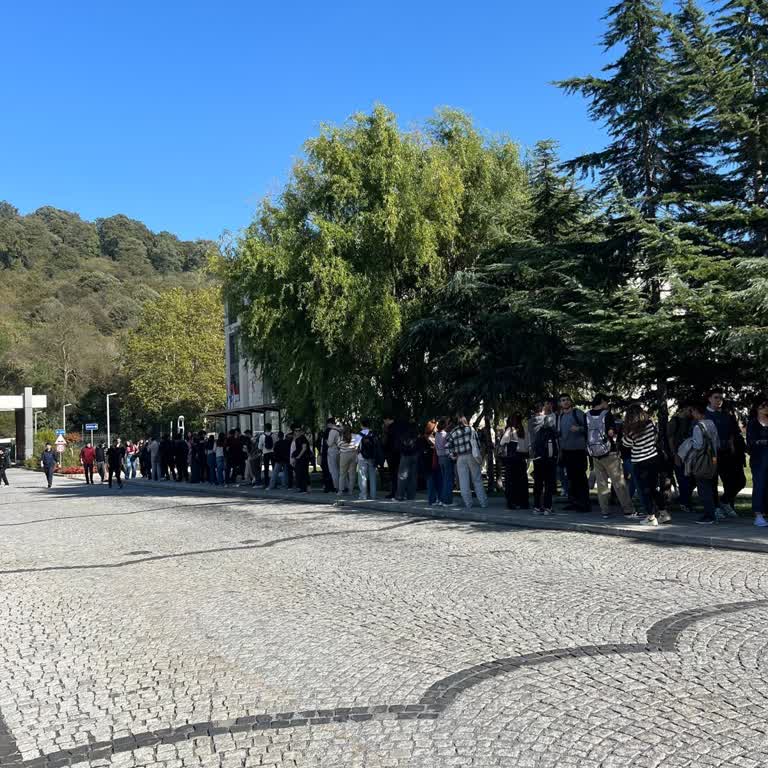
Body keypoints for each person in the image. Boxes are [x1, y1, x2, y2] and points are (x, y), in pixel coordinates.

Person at [586, 394, 634, 519]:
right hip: (609, 452)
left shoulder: (587, 415)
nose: (608, 405)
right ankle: (628, 510)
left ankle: (605, 511)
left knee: (601, 484)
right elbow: (611, 432)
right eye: (607, 402)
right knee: (619, 482)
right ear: (602, 402)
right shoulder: (607, 414)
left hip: (594, 453)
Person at [622, 405, 669, 526]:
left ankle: (651, 517)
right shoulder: (649, 424)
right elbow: (654, 438)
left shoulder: (632, 430)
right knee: (654, 489)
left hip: (640, 461)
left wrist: (625, 434)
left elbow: (626, 444)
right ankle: (663, 513)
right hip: (653, 458)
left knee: (645, 490)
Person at [703, 389, 743, 518]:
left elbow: (734, 432)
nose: (719, 400)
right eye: (716, 397)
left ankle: (726, 502)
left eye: (721, 398)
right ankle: (716, 508)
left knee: (737, 481)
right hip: (711, 454)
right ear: (709, 399)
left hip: (727, 452)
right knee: (713, 482)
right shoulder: (704, 415)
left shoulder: (727, 415)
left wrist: (732, 445)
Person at [681, 401, 720, 525]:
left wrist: (688, 442)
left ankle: (709, 515)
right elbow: (717, 443)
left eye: (692, 412)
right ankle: (712, 513)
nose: (692, 414)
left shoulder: (698, 426)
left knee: (703, 488)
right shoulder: (711, 423)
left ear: (697, 412)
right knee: (710, 486)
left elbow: (698, 446)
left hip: (702, 460)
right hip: (713, 459)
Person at [446, 415, 487, 512]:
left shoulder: (453, 432)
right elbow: (477, 443)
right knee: (477, 479)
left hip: (460, 457)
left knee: (463, 481)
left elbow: (447, 445)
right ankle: (483, 502)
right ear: (465, 421)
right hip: (471, 455)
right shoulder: (471, 429)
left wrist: (452, 455)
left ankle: (468, 503)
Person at [556, 394, 590, 512]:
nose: (564, 402)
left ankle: (584, 504)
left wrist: (579, 429)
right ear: (560, 403)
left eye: (566, 400)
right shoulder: (560, 417)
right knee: (570, 478)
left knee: (580, 478)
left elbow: (588, 427)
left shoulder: (578, 413)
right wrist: (560, 450)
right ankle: (574, 502)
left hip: (579, 451)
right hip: (566, 451)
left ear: (571, 401)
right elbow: (559, 435)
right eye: (562, 401)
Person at [529, 401, 558, 515]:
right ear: (542, 409)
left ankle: (536, 506)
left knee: (538, 483)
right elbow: (555, 431)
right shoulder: (548, 419)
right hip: (548, 455)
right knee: (549, 482)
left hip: (537, 455)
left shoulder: (530, 422)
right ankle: (547, 507)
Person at [667, 402, 694, 512]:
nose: (691, 412)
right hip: (678, 454)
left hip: (689, 454)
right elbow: (670, 439)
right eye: (690, 410)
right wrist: (674, 454)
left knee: (690, 479)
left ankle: (684, 499)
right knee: (682, 479)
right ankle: (685, 503)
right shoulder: (675, 421)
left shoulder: (690, 421)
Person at [499, 415, 529, 510]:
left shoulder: (510, 429)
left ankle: (512, 502)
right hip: (522, 458)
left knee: (511, 481)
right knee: (522, 481)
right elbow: (528, 443)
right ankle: (523, 502)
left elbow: (502, 442)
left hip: (512, 458)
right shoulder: (525, 429)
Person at [746, 398, 768, 528]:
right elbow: (751, 441)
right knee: (759, 484)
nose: (766, 408)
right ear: (757, 409)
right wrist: (762, 442)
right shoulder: (753, 423)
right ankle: (758, 514)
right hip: (759, 458)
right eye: (763, 406)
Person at [418, 420, 441, 506]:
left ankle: (437, 499)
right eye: (435, 427)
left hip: (432, 462)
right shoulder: (427, 438)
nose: (437, 428)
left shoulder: (434, 437)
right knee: (431, 482)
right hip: (429, 463)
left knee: (437, 480)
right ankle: (432, 500)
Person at [357, 419, 380, 500]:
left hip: (362, 457)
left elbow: (355, 445)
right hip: (372, 457)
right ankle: (373, 495)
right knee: (372, 476)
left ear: (362, 425)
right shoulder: (374, 433)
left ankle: (363, 495)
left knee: (363, 476)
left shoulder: (360, 434)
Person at [396, 422, 419, 501]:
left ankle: (400, 496)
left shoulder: (403, 434)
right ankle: (411, 496)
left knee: (402, 476)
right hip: (415, 454)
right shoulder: (416, 433)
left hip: (405, 455)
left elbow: (400, 444)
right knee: (413, 477)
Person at [435, 418, 454, 506]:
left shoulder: (437, 434)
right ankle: (447, 501)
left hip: (439, 458)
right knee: (448, 480)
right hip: (446, 457)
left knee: (444, 479)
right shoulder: (446, 434)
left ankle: (442, 499)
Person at [337, 427, 358, 495]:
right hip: (353, 454)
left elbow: (338, 445)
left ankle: (340, 491)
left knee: (342, 473)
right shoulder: (355, 436)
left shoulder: (341, 437)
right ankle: (350, 491)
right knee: (352, 474)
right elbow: (357, 446)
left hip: (344, 455)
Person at [292, 426, 311, 493]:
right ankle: (301, 487)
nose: (297, 432)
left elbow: (304, 448)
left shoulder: (302, 438)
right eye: (296, 431)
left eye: (298, 431)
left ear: (301, 432)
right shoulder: (297, 439)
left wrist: (298, 456)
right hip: (300, 458)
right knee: (299, 472)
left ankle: (304, 488)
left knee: (303, 472)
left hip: (303, 458)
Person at [326, 419, 342, 494]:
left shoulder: (332, 431)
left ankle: (336, 486)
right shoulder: (340, 430)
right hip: (339, 450)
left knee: (333, 469)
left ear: (330, 424)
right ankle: (344, 486)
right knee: (340, 469)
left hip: (333, 450)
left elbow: (329, 443)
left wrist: (326, 441)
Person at [258, 423, 275, 488]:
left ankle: (266, 483)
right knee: (274, 468)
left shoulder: (262, 436)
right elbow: (276, 444)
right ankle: (274, 482)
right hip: (273, 453)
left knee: (266, 468)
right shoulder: (274, 435)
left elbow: (259, 447)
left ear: (265, 428)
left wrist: (263, 449)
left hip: (265, 453)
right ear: (271, 428)